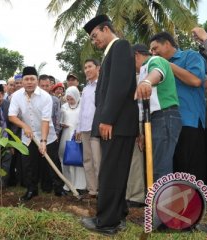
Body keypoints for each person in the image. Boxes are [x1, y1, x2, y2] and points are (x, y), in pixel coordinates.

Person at [80, 15, 139, 235]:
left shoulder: (120, 46)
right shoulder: (110, 54)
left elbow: (119, 86)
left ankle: (106, 222)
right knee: (116, 172)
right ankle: (119, 213)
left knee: (110, 173)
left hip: (117, 124)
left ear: (106, 29)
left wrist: (107, 119)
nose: (94, 41)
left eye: (95, 36)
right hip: (118, 123)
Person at [150, 32, 206, 182]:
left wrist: (167, 65)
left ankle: (195, 204)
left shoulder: (190, 56)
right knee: (170, 167)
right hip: (165, 123)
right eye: (151, 52)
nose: (153, 53)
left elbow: (196, 81)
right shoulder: (155, 67)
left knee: (190, 170)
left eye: (156, 49)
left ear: (167, 44)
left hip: (189, 121)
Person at [9, 66, 66, 201]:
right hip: (27, 137)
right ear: (22, 81)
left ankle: (59, 188)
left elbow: (46, 120)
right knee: (29, 164)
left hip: (47, 135)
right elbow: (12, 116)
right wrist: (24, 126)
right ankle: (31, 190)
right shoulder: (16, 96)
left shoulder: (46, 97)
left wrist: (43, 141)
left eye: (32, 79)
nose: (29, 82)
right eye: (26, 79)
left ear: (37, 80)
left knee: (53, 162)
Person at [133, 43, 181, 181]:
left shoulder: (155, 60)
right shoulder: (142, 70)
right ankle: (157, 200)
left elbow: (157, 72)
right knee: (155, 163)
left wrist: (147, 82)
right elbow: (143, 105)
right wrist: (142, 132)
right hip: (154, 118)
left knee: (161, 165)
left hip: (164, 115)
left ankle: (163, 202)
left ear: (136, 55)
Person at [75, 59, 101, 199]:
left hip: (97, 128)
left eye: (89, 67)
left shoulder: (102, 85)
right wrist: (78, 128)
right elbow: (82, 109)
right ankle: (92, 190)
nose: (87, 70)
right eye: (85, 67)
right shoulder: (85, 88)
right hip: (85, 128)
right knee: (87, 160)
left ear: (98, 68)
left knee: (98, 161)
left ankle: (102, 189)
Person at [59, 86, 86, 192]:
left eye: (72, 99)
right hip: (66, 134)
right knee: (66, 158)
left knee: (79, 158)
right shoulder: (64, 107)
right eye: (68, 99)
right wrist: (62, 124)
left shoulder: (82, 106)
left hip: (78, 134)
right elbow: (61, 120)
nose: (70, 101)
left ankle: (80, 184)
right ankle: (68, 183)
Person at [38, 74, 61, 193]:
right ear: (38, 85)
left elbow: (57, 118)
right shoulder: (34, 99)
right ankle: (45, 186)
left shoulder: (55, 100)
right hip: (39, 136)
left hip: (52, 136)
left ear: (51, 86)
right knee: (42, 162)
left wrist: (57, 134)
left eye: (47, 85)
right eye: (42, 86)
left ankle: (58, 186)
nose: (45, 88)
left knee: (54, 160)